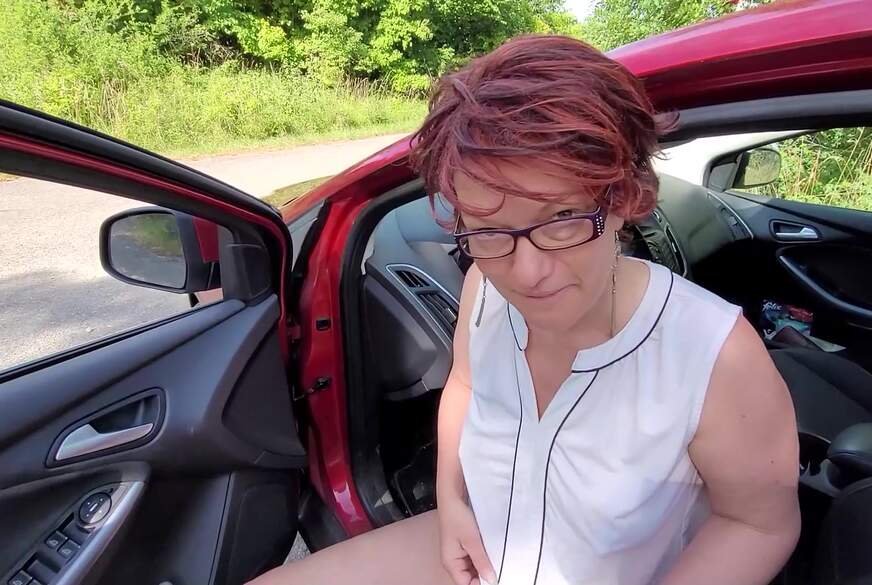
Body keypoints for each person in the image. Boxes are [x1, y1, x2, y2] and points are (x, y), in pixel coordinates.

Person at [249, 34, 800, 585]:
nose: (528, 273)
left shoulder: (713, 354)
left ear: (623, 197)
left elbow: (757, 524)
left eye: (561, 220)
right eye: (489, 231)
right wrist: (451, 501)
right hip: (482, 549)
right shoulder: (483, 290)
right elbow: (465, 385)